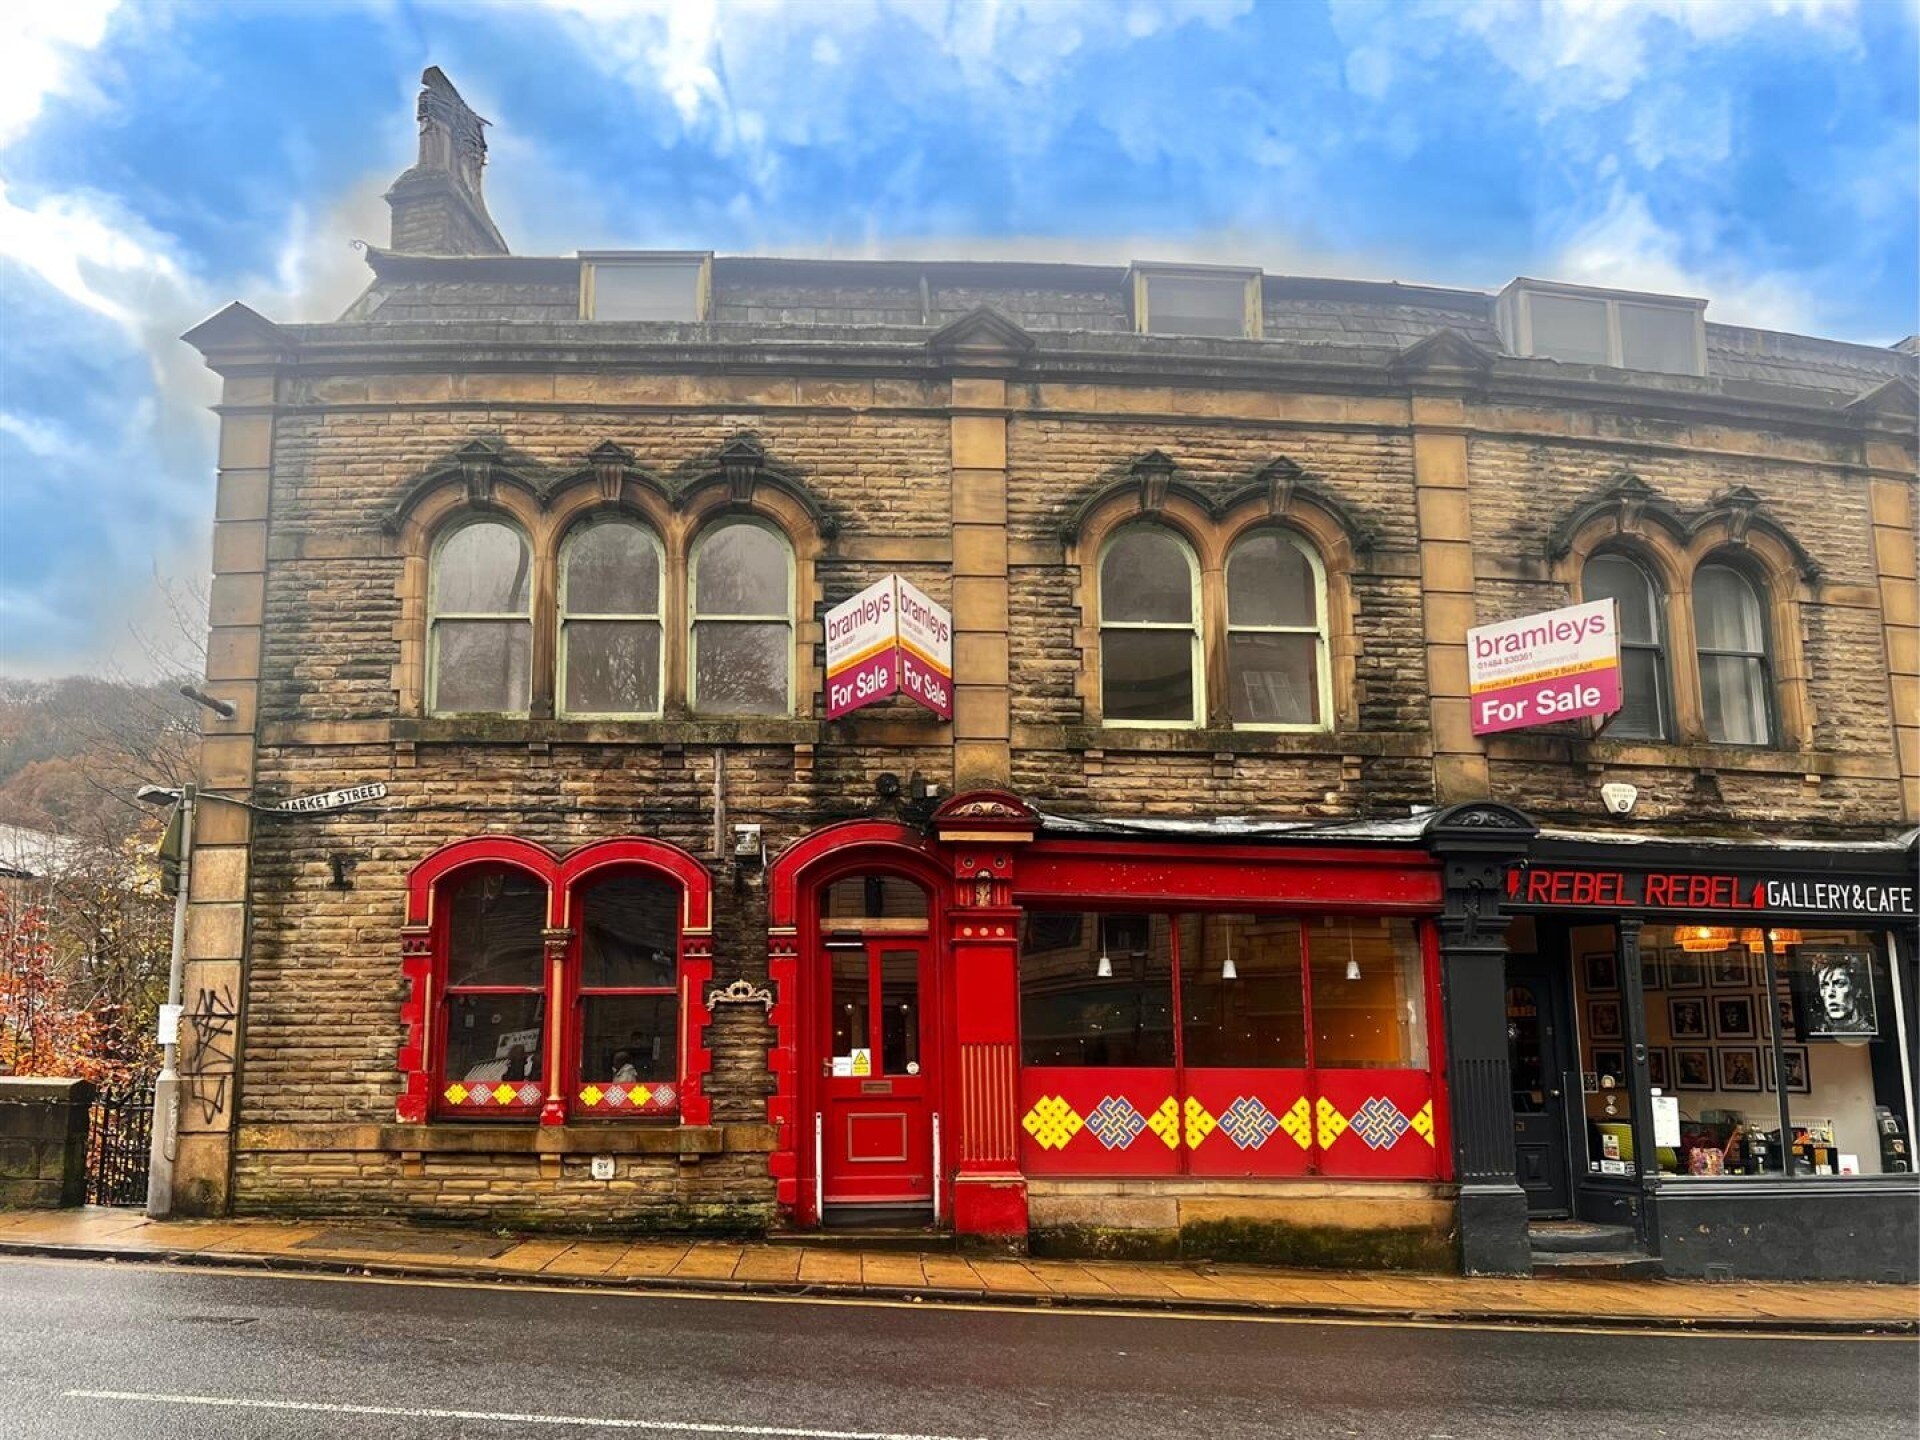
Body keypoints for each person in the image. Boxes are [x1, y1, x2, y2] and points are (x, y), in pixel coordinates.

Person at [1812, 954, 1874, 1035]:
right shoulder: (1816, 1031)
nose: (1830, 993)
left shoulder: (1870, 1030)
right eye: (1824, 985)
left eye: (1840, 984)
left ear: (1857, 989)